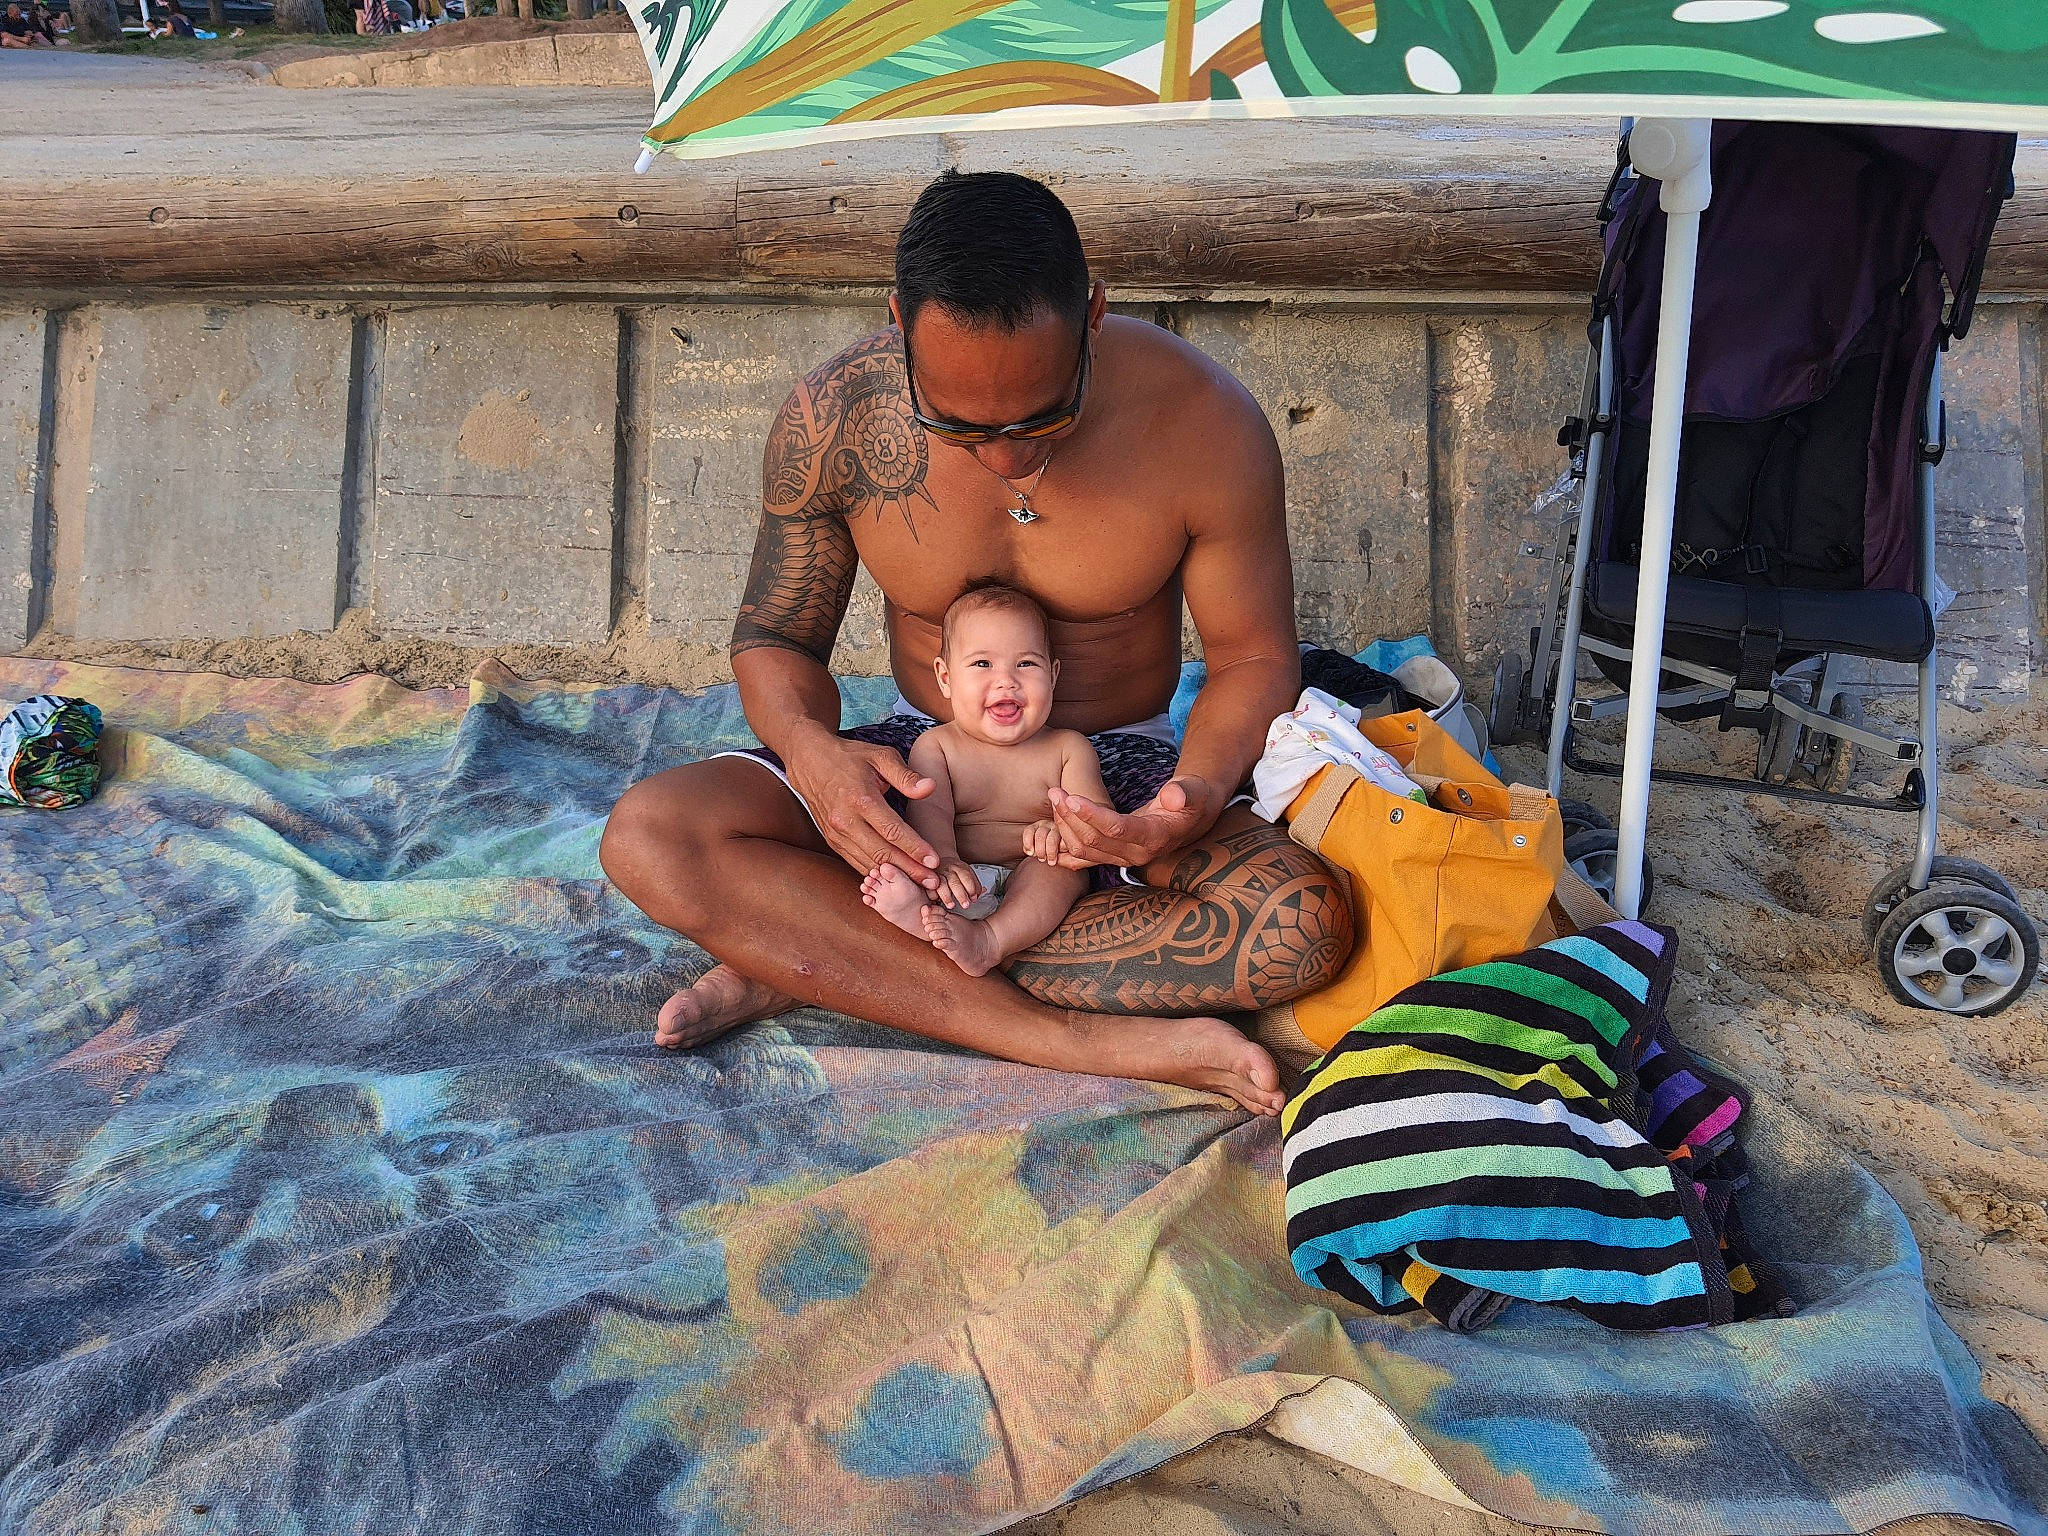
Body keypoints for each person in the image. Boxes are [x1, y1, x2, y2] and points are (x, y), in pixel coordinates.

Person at [600, 171, 1355, 1118]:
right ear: (899, 324)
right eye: (956, 424)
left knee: (1298, 929)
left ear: (1094, 316)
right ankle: (1073, 1037)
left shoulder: (1203, 422)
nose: (1004, 456)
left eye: (1042, 416)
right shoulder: (833, 420)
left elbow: (1251, 658)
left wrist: (1182, 803)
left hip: (1113, 778)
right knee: (653, 838)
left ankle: (815, 953)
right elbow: (777, 635)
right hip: (922, 764)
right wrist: (814, 757)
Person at [859, 583, 1107, 978]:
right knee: (911, 864)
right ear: (945, 677)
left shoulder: (1068, 748)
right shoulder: (936, 747)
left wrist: (1060, 828)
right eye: (982, 665)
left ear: (1053, 675)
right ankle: (917, 916)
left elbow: (1096, 819)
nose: (1006, 681)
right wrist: (947, 862)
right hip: (964, 878)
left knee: (1063, 869)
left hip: (1032, 884)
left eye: (1026, 664)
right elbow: (930, 820)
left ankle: (989, 941)